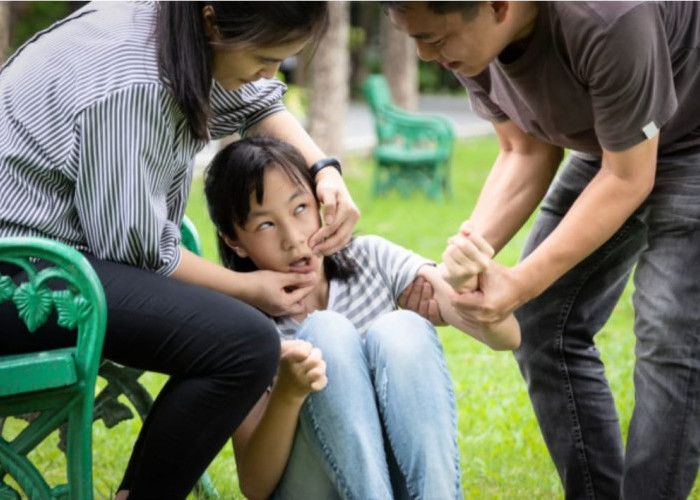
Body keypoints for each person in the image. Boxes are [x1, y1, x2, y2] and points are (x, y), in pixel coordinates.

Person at [0, 2, 361, 498]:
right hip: (19, 275)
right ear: (213, 20)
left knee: (237, 340)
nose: (270, 73)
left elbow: (258, 105)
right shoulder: (135, 82)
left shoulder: (173, 28)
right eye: (264, 57)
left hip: (60, 261)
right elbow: (139, 250)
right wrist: (247, 287)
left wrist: (323, 169)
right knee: (243, 345)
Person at [384, 1, 700, 499]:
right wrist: (460, 266)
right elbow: (525, 149)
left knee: (670, 336)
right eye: (416, 38)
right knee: (539, 321)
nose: (425, 54)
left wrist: (520, 283)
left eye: (435, 39)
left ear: (498, 6)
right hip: (611, 146)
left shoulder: (609, 17)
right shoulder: (467, 43)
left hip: (690, 139)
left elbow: (628, 178)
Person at [203, 135, 520, 500]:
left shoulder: (370, 259)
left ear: (321, 201)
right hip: (311, 488)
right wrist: (288, 393)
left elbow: (507, 337)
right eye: (265, 225)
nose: (293, 238)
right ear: (235, 242)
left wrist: (466, 286)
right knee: (325, 332)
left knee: (402, 326)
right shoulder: (242, 324)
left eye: (300, 208)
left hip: (397, 481)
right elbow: (255, 486)